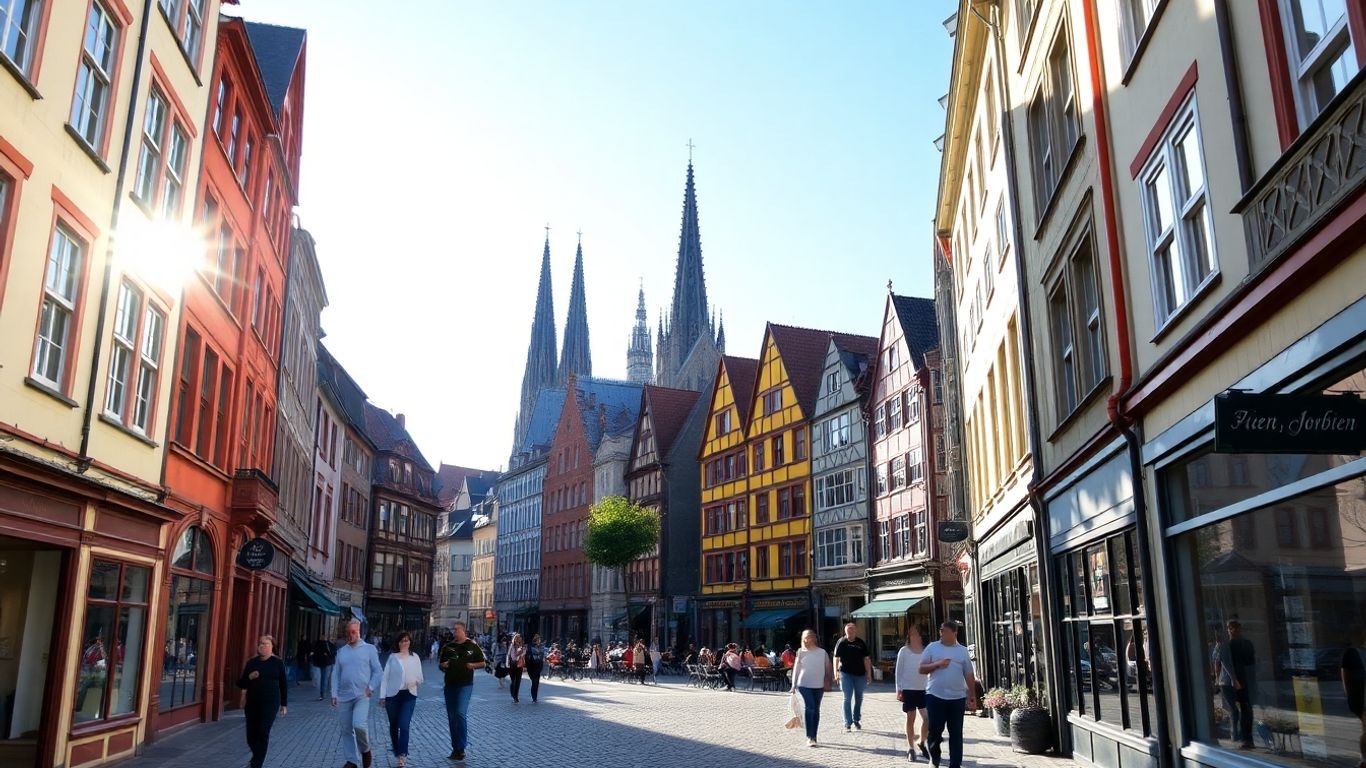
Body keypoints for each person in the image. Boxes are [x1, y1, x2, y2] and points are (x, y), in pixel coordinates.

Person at [918, 621, 978, 768]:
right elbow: (921, 669)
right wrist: (937, 664)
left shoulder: (962, 651)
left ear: (954, 633)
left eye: (944, 631)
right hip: (935, 696)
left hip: (957, 698)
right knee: (935, 731)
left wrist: (972, 695)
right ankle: (935, 758)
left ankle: (955, 764)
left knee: (956, 733)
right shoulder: (932, 647)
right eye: (940, 630)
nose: (941, 633)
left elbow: (969, 674)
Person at [330, 619, 382, 768]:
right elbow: (335, 674)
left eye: (354, 632)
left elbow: (378, 671)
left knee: (359, 725)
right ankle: (352, 760)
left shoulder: (369, 649)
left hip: (362, 695)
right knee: (346, 729)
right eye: (348, 632)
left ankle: (366, 751)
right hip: (344, 696)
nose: (350, 635)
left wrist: (371, 687)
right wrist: (334, 693)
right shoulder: (341, 651)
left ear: (359, 632)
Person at [236, 635, 287, 768]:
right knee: (251, 736)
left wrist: (284, 704)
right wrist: (249, 677)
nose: (262, 646)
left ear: (272, 647)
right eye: (260, 643)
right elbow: (241, 684)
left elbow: (283, 684)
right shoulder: (251, 663)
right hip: (252, 704)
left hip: (270, 703)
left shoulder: (278, 663)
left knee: (263, 732)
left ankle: (256, 764)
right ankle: (256, 757)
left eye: (266, 644)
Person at [440, 621, 486, 762]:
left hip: (465, 685)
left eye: (457, 630)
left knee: (460, 713)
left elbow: (483, 663)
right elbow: (441, 664)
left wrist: (472, 665)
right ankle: (456, 749)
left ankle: (462, 746)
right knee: (452, 717)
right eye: (454, 630)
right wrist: (444, 665)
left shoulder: (472, 645)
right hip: (450, 686)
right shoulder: (448, 647)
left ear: (464, 631)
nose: (455, 632)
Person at [379, 632, 423, 768]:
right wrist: (382, 696)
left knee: (404, 725)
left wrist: (414, 681)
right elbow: (385, 677)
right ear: (398, 643)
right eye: (402, 641)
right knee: (393, 725)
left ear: (410, 642)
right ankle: (397, 750)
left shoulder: (415, 657)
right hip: (392, 696)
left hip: (409, 695)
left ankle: (402, 755)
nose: (405, 643)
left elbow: (421, 677)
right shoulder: (392, 658)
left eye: (407, 640)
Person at [1214, 620, 1256, 749]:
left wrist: (1218, 679)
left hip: (1235, 680)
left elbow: (1218, 663)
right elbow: (1220, 663)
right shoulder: (1231, 644)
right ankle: (1241, 737)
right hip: (1237, 680)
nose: (1233, 631)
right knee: (1241, 709)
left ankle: (1240, 737)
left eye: (1234, 628)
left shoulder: (1228, 645)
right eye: (1231, 628)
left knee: (1239, 709)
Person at [790, 629, 835, 747]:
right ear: (803, 639)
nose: (808, 638)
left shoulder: (822, 652)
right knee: (810, 707)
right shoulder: (800, 652)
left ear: (814, 638)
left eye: (810, 636)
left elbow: (827, 669)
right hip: (804, 684)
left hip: (818, 685)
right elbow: (796, 669)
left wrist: (829, 681)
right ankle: (810, 736)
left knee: (816, 710)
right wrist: (793, 684)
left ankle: (814, 735)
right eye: (806, 636)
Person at [896, 623, 930, 762]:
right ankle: (911, 748)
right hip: (909, 689)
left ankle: (922, 742)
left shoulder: (927, 651)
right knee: (911, 717)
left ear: (921, 636)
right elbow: (898, 671)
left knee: (928, 718)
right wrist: (899, 689)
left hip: (924, 689)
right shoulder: (904, 651)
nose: (913, 636)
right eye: (911, 634)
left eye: (916, 633)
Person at [833, 621, 873, 732]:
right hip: (845, 674)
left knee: (859, 698)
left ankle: (856, 719)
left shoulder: (861, 643)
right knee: (847, 698)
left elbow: (866, 659)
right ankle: (847, 722)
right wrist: (836, 673)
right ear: (845, 631)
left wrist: (868, 673)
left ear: (855, 631)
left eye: (852, 629)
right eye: (848, 629)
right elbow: (836, 658)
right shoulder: (841, 642)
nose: (850, 631)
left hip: (860, 674)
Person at [1341, 626, 1365, 768]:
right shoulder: (1351, 653)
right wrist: (1349, 696)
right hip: (1360, 696)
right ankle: (1364, 759)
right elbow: (1345, 677)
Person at [312, 634, 336, 701]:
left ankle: (322, 693)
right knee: (323, 678)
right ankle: (322, 693)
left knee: (322, 678)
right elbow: (333, 653)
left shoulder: (319, 644)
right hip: (325, 663)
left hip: (322, 663)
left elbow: (333, 653)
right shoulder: (326, 644)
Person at [507, 633, 527, 702]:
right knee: (513, 681)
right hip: (513, 665)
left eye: (519, 639)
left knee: (518, 681)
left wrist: (523, 651)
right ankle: (513, 693)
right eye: (516, 639)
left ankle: (516, 697)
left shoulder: (522, 646)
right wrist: (508, 664)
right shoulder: (512, 646)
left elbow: (524, 654)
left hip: (519, 665)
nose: (517, 640)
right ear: (514, 639)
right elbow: (510, 655)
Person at [525, 634, 546, 701]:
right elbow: (527, 656)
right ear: (535, 640)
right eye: (538, 640)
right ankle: (533, 695)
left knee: (536, 682)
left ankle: (535, 697)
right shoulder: (530, 646)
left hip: (538, 666)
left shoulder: (541, 647)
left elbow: (542, 655)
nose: (539, 641)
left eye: (539, 640)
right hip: (531, 666)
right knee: (534, 681)